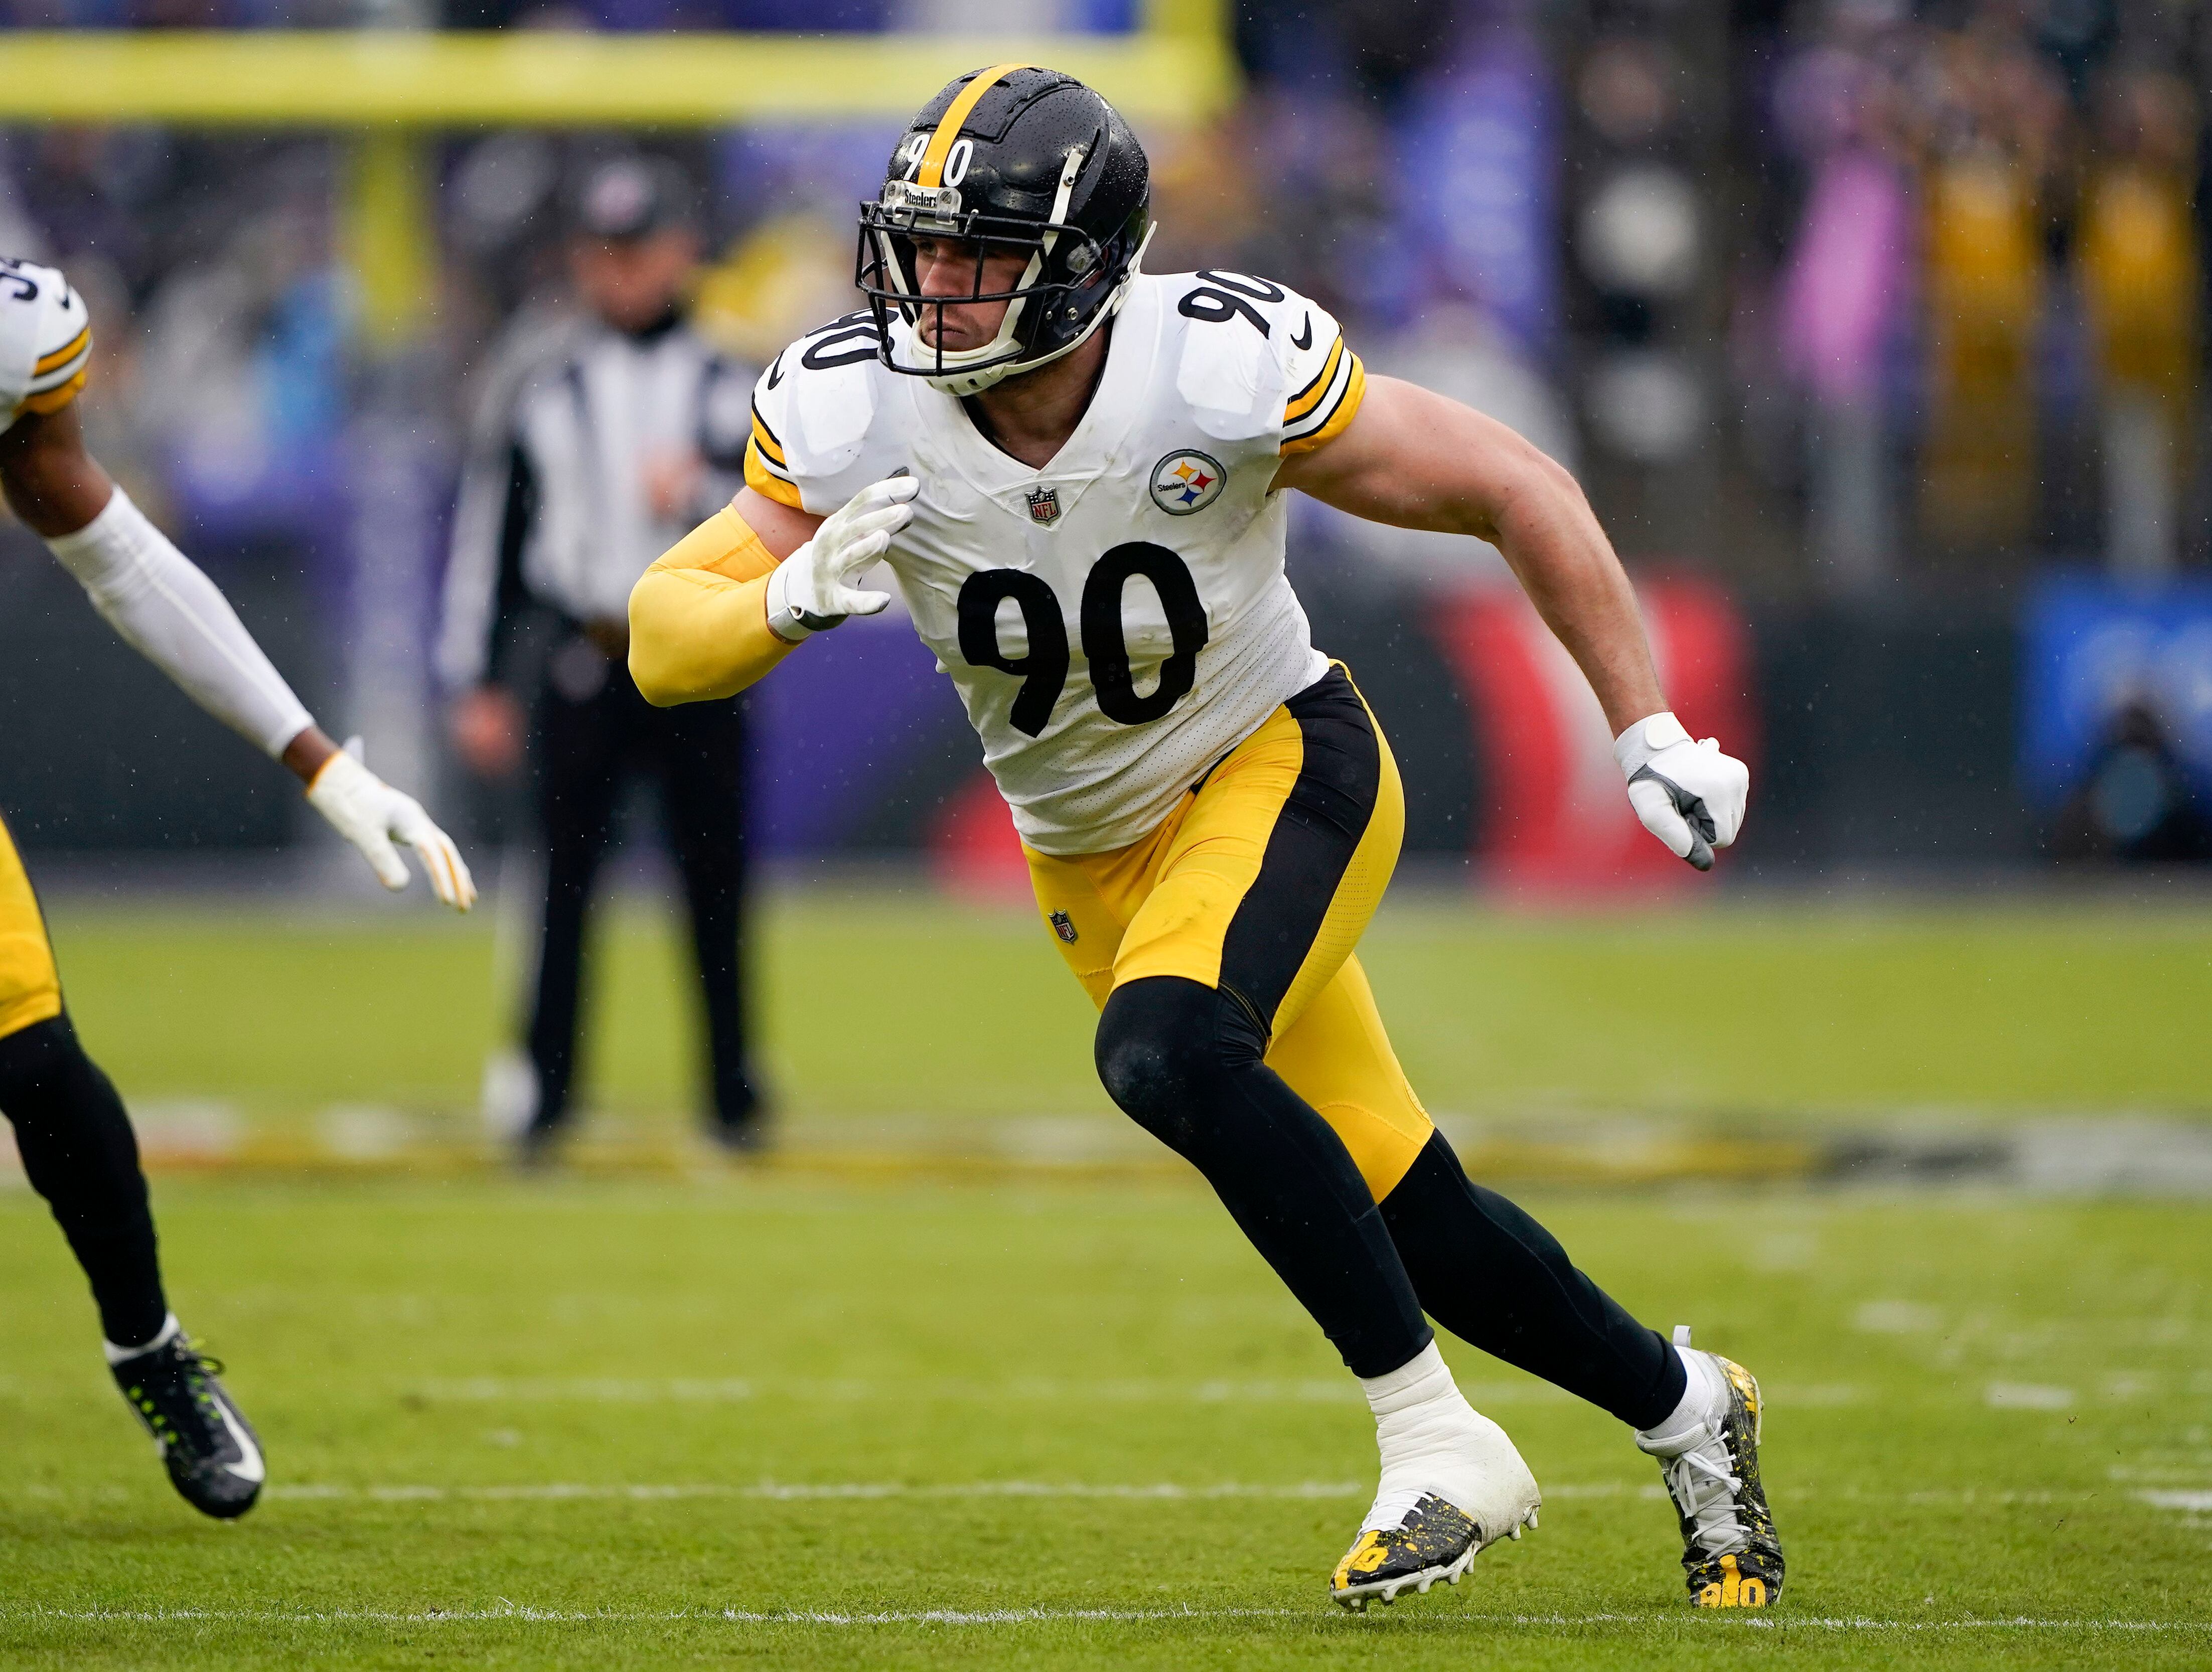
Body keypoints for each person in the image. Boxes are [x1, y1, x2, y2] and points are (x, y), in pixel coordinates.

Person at [626, 67, 1777, 1610]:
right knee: (1409, 1210)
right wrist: (779, 599)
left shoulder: (1217, 369)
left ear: (1089, 267)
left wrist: (1645, 726)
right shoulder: (851, 406)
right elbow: (658, 634)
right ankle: (1692, 1408)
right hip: (1089, 854)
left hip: (1277, 760)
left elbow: (1514, 483)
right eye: (922, 248)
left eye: (977, 254)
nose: (932, 288)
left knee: (1166, 1053)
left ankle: (1435, 1440)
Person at [0, 253, 475, 1518]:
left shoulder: (19, 333)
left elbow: (120, 557)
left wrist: (320, 764)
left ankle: (147, 1343)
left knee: (36, 1066)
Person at [437, 157, 764, 1159]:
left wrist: (707, 476)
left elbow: (795, 502)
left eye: (640, 249)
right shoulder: (544, 390)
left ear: (680, 253)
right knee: (561, 886)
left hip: (705, 654)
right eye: (605, 253)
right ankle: (546, 1090)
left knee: (716, 883)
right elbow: (495, 538)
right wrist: (481, 675)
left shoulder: (735, 379)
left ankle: (731, 1094)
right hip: (586, 655)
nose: (623, 273)